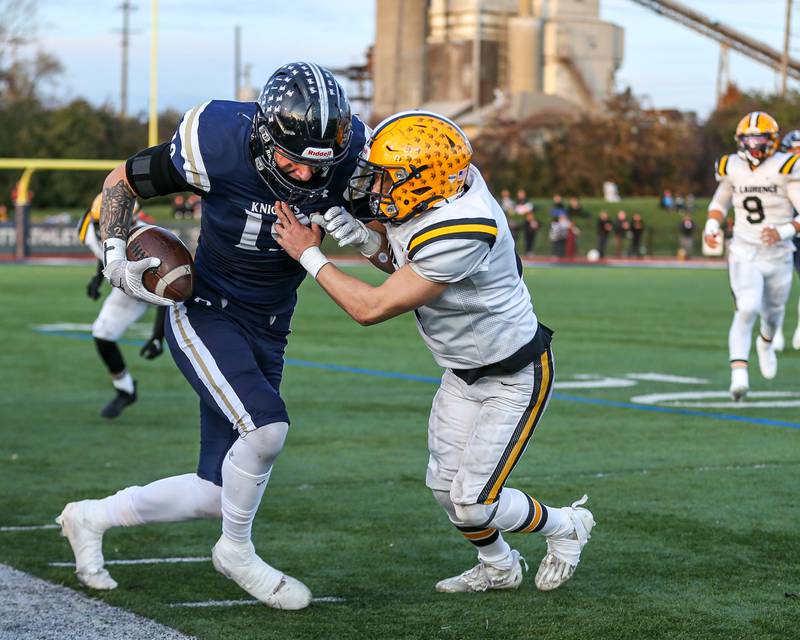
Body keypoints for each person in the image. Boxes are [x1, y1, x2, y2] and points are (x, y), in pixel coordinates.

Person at [56, 62, 366, 610]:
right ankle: (236, 551)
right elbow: (119, 184)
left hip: (273, 323)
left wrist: (366, 235)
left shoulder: (350, 154)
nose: (304, 176)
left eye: (317, 165)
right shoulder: (217, 140)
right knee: (267, 431)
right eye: (292, 160)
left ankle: (89, 518)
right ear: (266, 138)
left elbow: (389, 243)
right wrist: (112, 253)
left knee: (215, 492)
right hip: (208, 308)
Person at [273, 110, 595, 594]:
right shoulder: (441, 191)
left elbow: (372, 308)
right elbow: (398, 261)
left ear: (422, 181)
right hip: (460, 371)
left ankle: (566, 525)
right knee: (446, 492)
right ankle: (499, 566)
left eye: (386, 177)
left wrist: (309, 254)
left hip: (514, 373)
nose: (374, 186)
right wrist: (363, 239)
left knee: (473, 501)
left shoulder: (464, 226)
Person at [703, 111, 800, 401]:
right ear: (739, 140)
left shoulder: (786, 167)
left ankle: (766, 343)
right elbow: (720, 201)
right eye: (748, 138)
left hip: (779, 253)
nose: (753, 144)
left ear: (771, 140)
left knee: (772, 314)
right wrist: (711, 224)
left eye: (758, 138)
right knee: (746, 307)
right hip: (744, 249)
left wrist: (783, 232)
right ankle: (739, 375)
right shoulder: (732, 166)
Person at [77, 192, 167, 418]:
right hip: (127, 286)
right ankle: (125, 390)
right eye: (104, 223)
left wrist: (158, 336)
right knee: (102, 333)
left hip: (155, 289)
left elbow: (168, 295)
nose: (111, 228)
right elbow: (106, 252)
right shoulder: (87, 228)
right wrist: (97, 278)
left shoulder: (150, 242)